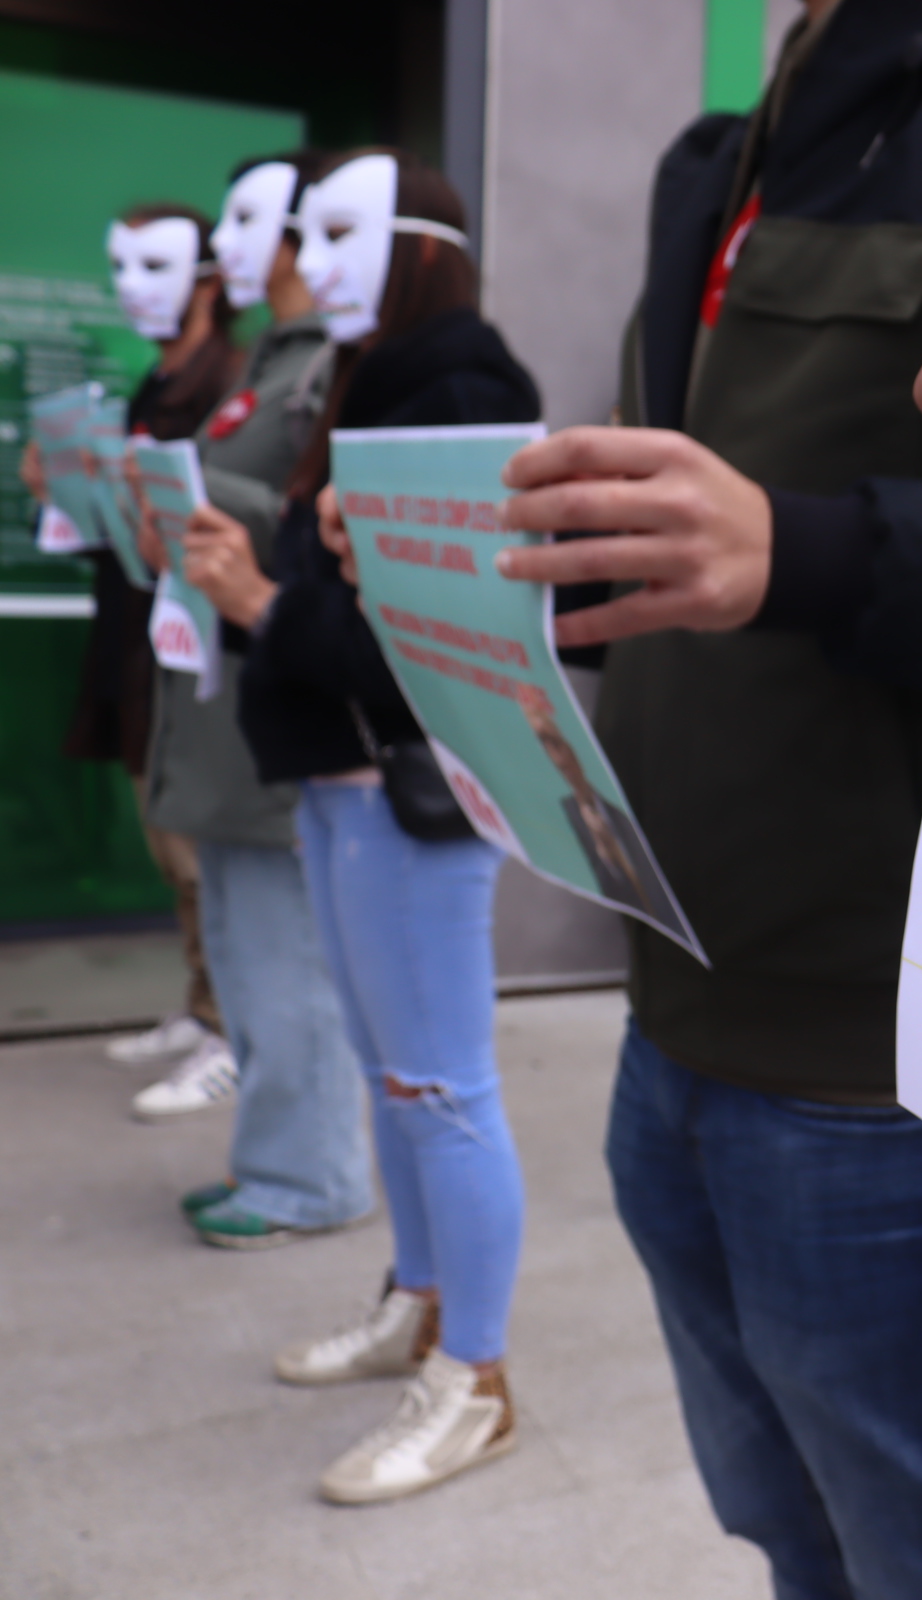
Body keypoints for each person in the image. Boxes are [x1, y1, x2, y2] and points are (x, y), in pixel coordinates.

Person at [475, 1, 922, 1591]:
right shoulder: (722, 156)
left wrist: (800, 551)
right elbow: (704, 517)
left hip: (886, 1063)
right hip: (676, 1007)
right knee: (795, 1538)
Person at [191, 147, 541, 1504]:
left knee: (441, 1085)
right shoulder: (374, 378)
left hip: (405, 786)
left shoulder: (456, 387)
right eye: (308, 231)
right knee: (400, 1076)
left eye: (342, 232)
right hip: (346, 783)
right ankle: (424, 1302)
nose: (308, 258)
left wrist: (263, 607)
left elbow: (441, 638)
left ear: (417, 249)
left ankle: (478, 1378)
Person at [139, 151, 377, 1249]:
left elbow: (325, 521)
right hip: (223, 697)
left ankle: (309, 1178)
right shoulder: (271, 363)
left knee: (288, 965)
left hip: (274, 696)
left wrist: (192, 490)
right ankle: (276, 1162)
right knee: (247, 956)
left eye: (254, 222)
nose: (227, 246)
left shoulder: (327, 364)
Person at [18, 203, 243, 1118]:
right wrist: (68, 490)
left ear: (211, 280)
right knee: (166, 840)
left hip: (195, 656)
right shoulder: (155, 382)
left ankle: (232, 1028)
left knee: (202, 855)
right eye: (121, 265)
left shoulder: (230, 385)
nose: (130, 287)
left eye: (155, 265)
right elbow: (125, 535)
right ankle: (202, 1004)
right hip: (138, 639)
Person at [516, 690, 669, 920]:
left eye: (555, 743)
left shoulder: (622, 806)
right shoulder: (557, 816)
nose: (557, 759)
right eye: (544, 746)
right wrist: (606, 854)